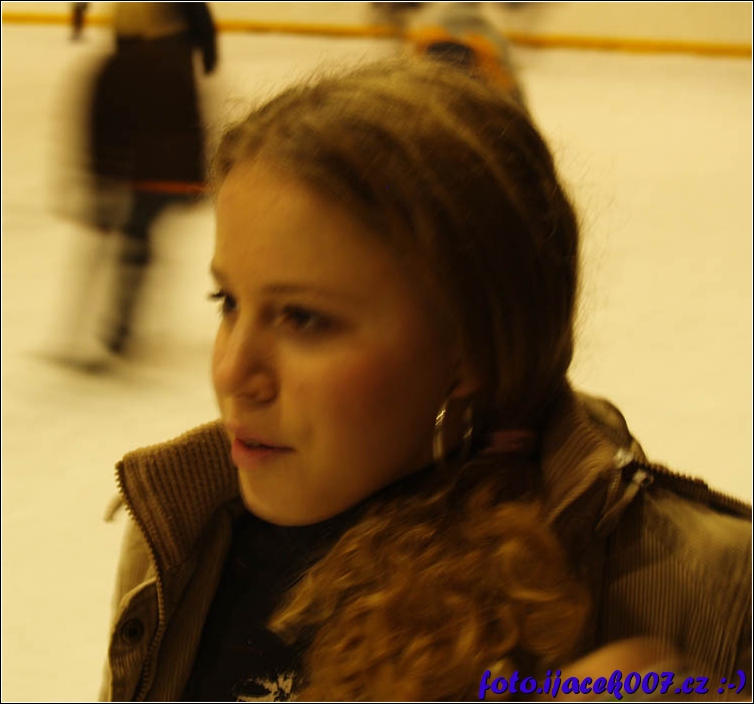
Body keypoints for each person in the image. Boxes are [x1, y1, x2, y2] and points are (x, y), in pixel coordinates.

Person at [99, 57, 751, 701]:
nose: (232, 371)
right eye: (228, 302)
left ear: (469, 349)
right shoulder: (185, 531)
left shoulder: (704, 592)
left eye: (303, 318)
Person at [54, 2, 217, 369]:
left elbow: (100, 132)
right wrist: (198, 177)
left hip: (136, 176)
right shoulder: (177, 61)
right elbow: (195, 122)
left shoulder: (112, 66)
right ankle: (118, 332)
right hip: (170, 178)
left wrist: (98, 184)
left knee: (129, 248)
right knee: (137, 246)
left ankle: (114, 334)